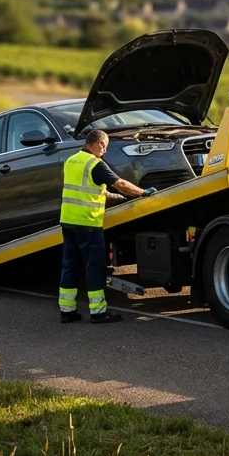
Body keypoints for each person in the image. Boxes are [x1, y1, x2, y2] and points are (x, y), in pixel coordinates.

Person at [59, 129, 155, 324]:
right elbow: (120, 183)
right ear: (98, 144)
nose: (105, 150)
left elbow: (85, 190)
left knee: (70, 266)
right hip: (88, 223)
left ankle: (67, 312)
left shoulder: (72, 161)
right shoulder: (95, 164)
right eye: (105, 146)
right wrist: (142, 192)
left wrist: (113, 197)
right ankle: (98, 312)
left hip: (68, 222)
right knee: (94, 267)